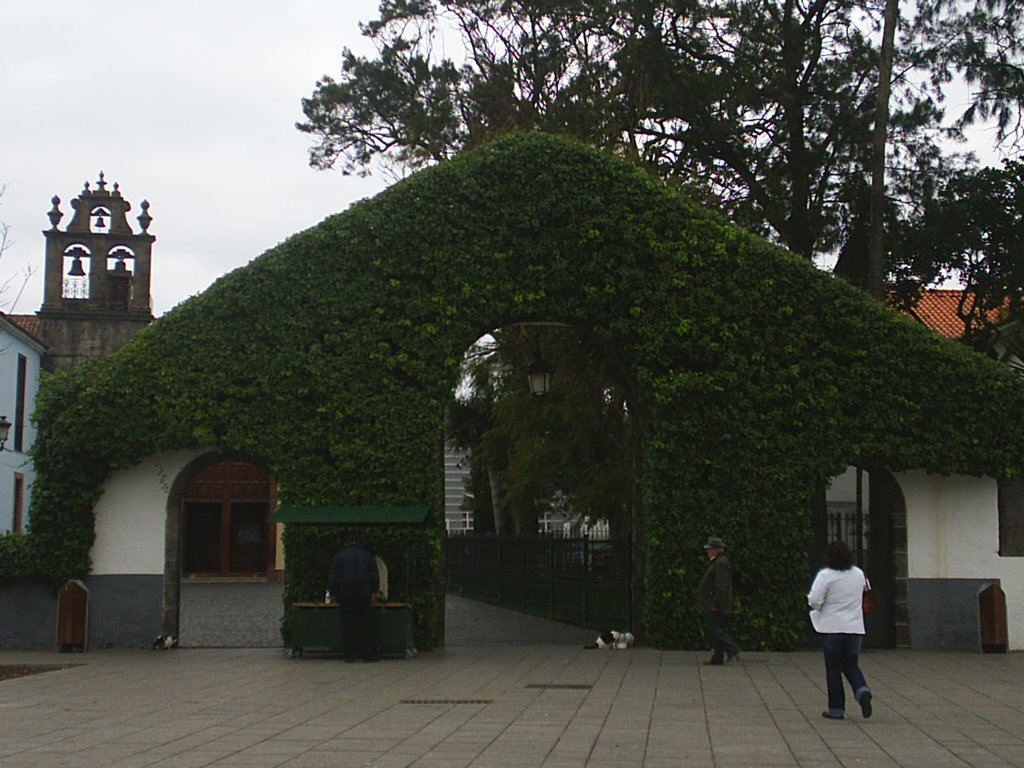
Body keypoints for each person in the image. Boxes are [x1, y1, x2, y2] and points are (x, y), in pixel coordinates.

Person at [808, 540, 873, 720]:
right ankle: (862, 690)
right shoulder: (858, 573)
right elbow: (866, 589)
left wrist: (819, 607)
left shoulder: (826, 575)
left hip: (832, 627)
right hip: (855, 628)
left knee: (833, 668)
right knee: (851, 664)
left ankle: (836, 709)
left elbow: (814, 600)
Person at [328, 533, 380, 662]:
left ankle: (349, 655)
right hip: (363, 592)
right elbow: (374, 575)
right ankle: (367, 654)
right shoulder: (367, 555)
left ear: (346, 542)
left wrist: (333, 592)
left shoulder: (339, 556)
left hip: (345, 592)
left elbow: (334, 577)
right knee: (365, 623)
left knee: (347, 623)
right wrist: (374, 591)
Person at [698, 536, 740, 665]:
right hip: (716, 603)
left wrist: (716, 602)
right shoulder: (718, 562)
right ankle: (718, 657)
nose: (708, 552)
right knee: (717, 629)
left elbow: (721, 586)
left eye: (710, 549)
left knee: (714, 629)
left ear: (716, 549)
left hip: (717, 604)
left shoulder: (720, 563)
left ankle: (732, 648)